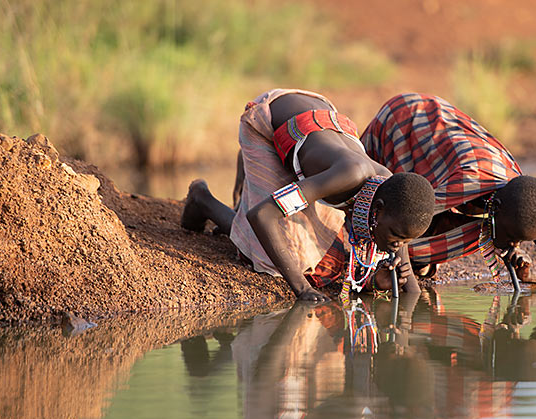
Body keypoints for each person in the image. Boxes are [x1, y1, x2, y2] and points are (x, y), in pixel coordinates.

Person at [181, 89, 436, 302]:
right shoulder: (349, 177)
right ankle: (201, 199)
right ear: (378, 211)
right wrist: (302, 289)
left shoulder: (391, 192)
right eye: (398, 238)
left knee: (315, 239)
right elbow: (261, 215)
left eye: (406, 241)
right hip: (271, 119)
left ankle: (259, 180)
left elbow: (409, 285)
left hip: (319, 122)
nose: (398, 246)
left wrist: (400, 297)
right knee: (267, 256)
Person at [360, 93, 536, 287]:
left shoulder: (524, 208)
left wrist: (534, 275)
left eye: (519, 242)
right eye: (510, 238)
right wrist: (411, 291)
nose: (514, 246)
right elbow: (408, 214)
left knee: (456, 237)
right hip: (406, 121)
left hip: (445, 138)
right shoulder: (470, 182)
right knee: (376, 207)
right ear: (496, 208)